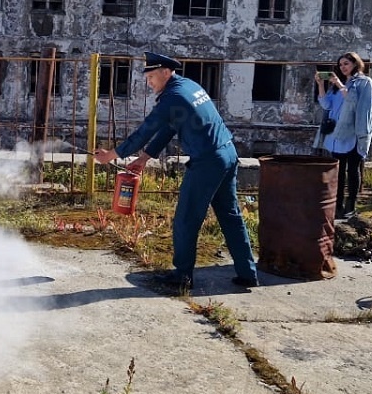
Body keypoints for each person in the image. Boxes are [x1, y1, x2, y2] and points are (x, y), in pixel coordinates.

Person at [93, 51, 259, 292]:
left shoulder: (173, 97)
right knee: (230, 215)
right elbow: (171, 126)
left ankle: (182, 276)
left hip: (207, 162)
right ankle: (247, 273)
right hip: (227, 154)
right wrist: (146, 157)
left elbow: (145, 131)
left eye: (151, 76)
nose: (148, 83)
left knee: (186, 219)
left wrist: (111, 155)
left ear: (165, 72)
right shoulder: (188, 87)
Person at [327, 51, 372, 219]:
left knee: (353, 168)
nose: (343, 67)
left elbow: (356, 103)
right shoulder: (341, 83)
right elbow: (329, 104)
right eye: (340, 65)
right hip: (339, 131)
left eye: (346, 64)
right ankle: (337, 205)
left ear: (355, 64)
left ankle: (351, 205)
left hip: (355, 131)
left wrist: (341, 86)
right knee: (338, 170)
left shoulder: (364, 82)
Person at [312, 61, 344, 155]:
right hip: (332, 126)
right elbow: (326, 105)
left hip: (346, 126)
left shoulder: (354, 86)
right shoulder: (334, 89)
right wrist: (321, 85)